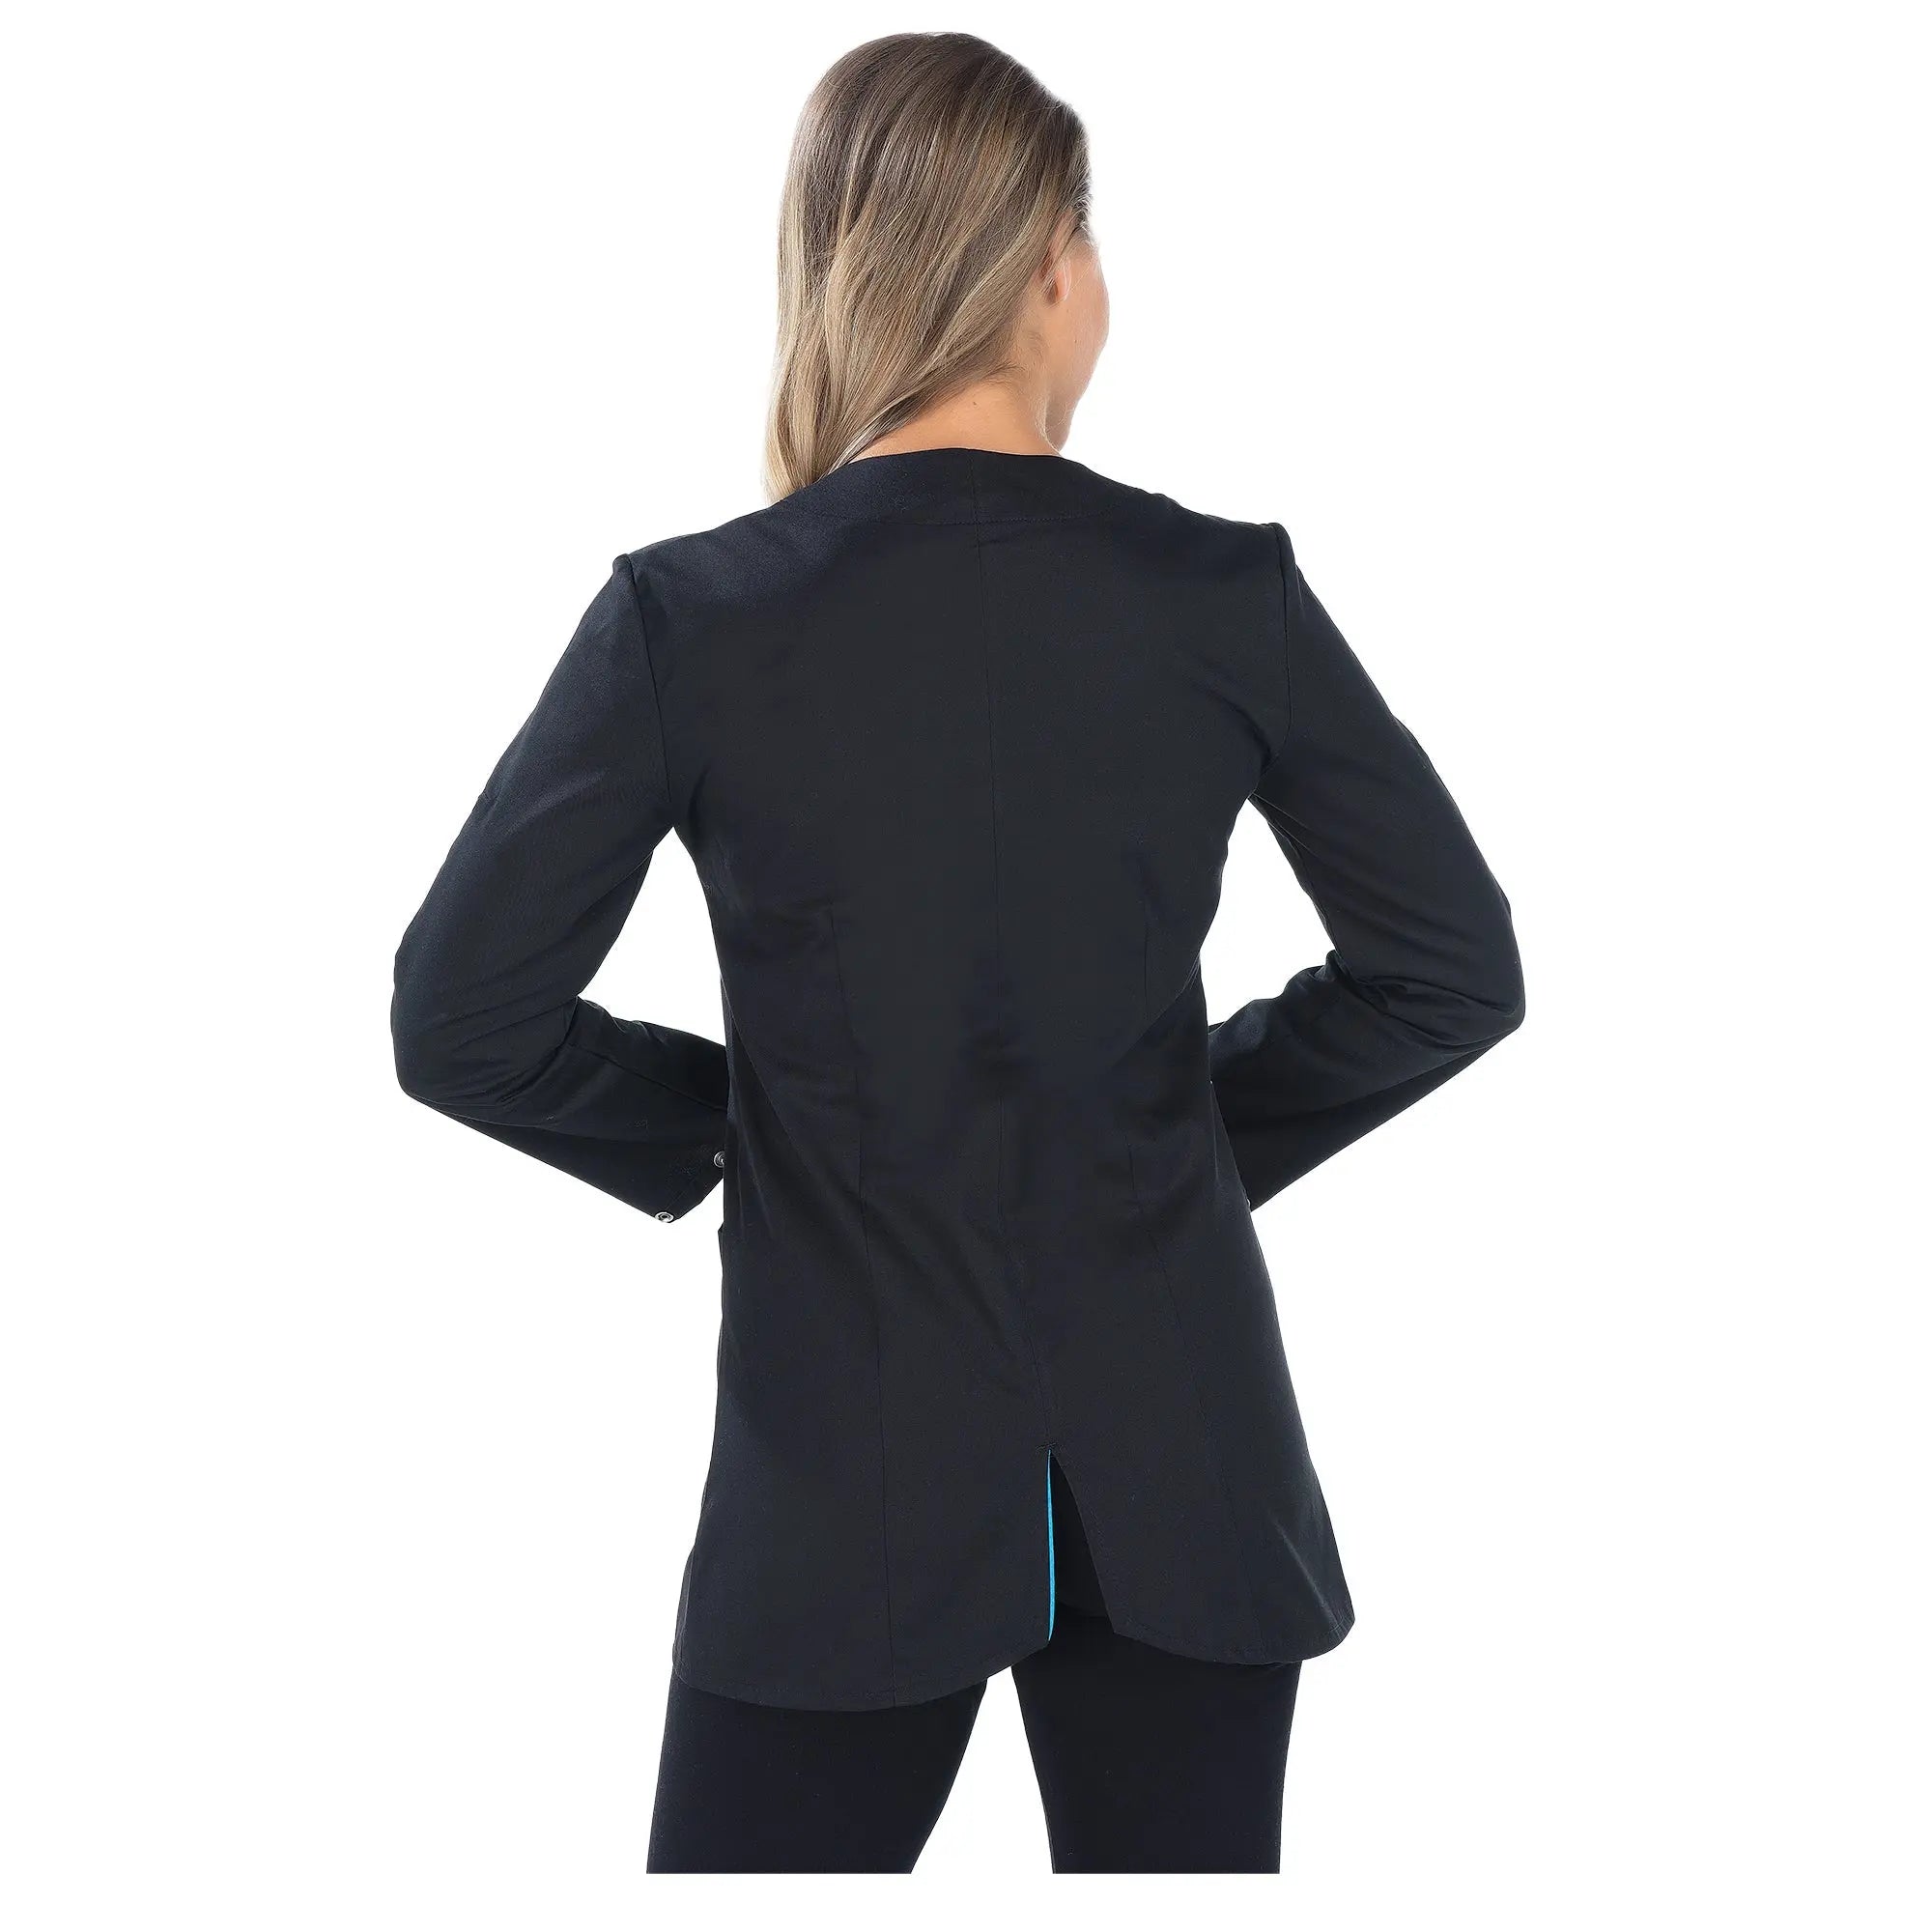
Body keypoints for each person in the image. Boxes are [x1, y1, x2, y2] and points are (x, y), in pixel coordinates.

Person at [390, 31, 1525, 1874]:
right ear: (1054, 268)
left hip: (842, 1498)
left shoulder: (694, 616)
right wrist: (1161, 1131)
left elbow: (462, 1021)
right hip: (1189, 1481)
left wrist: (769, 1130)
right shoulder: (1221, 595)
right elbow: (1452, 969)